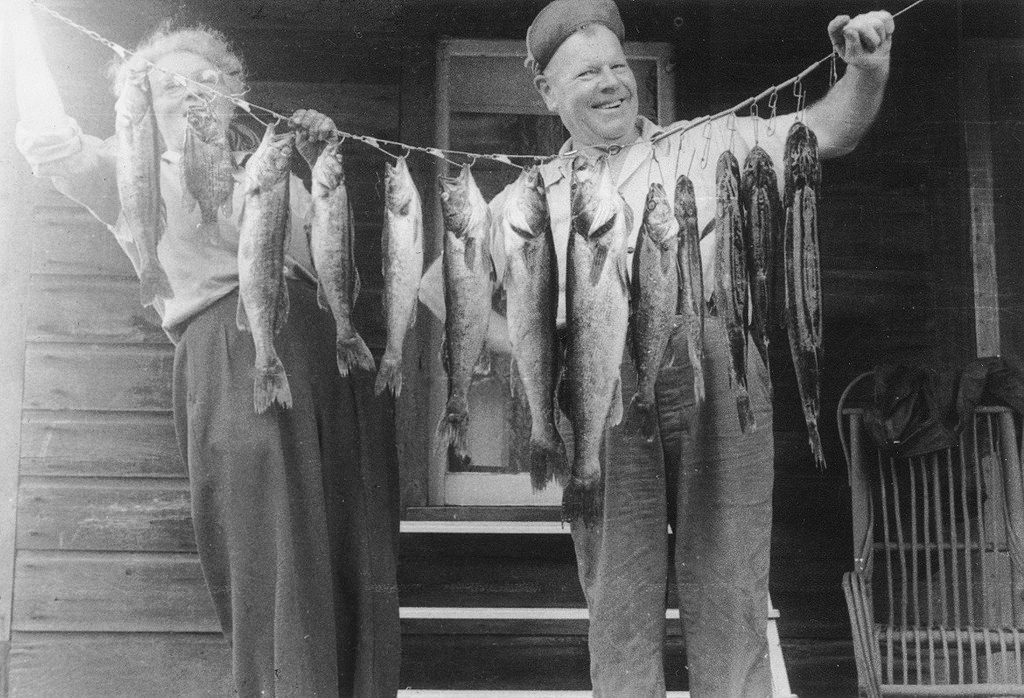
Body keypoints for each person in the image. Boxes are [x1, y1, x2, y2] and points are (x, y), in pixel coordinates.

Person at [419, 0, 894, 695]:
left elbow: (831, 129)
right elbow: (440, 292)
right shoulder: (526, 197)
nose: (611, 82)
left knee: (731, 590)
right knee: (620, 603)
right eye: (586, 72)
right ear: (547, 92)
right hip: (598, 385)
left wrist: (867, 68)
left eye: (619, 65)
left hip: (715, 364)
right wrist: (536, 352)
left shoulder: (704, 145)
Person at [9, 3, 401, 696]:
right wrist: (14, 23)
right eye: (169, 88)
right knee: (271, 560)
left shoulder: (272, 169)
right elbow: (45, 140)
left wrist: (318, 164)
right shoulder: (130, 174)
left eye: (207, 83)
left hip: (320, 367)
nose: (192, 96)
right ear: (142, 107)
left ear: (233, 96)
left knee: (339, 557)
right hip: (231, 360)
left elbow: (332, 273)